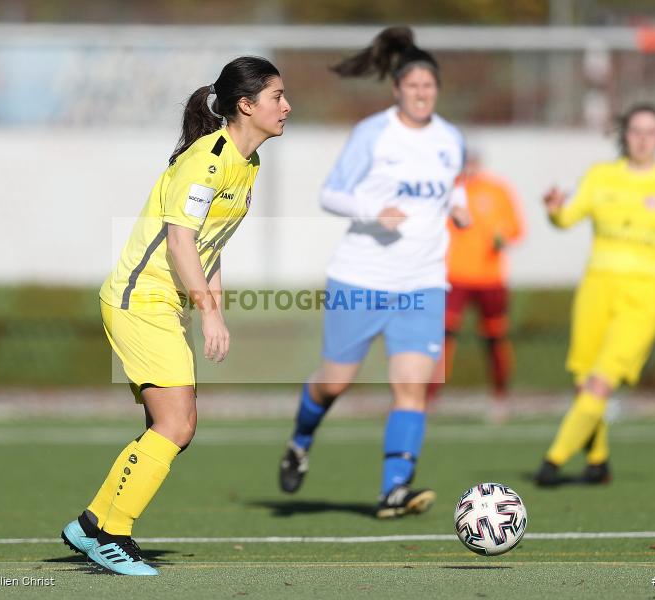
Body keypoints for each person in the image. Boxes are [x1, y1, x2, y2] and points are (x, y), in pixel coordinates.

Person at [60, 56, 291, 575]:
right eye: (277, 97)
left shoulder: (247, 162)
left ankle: (93, 523)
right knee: (177, 425)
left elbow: (210, 245)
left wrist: (215, 309)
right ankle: (111, 536)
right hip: (139, 301)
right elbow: (181, 241)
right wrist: (208, 314)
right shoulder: (207, 161)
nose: (287, 106)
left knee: (168, 429)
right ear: (245, 105)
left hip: (160, 305)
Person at [277, 27, 469, 519]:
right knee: (334, 384)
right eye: (413, 87)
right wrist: (372, 209)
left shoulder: (450, 138)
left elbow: (452, 186)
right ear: (397, 89)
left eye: (429, 87)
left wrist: (461, 207)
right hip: (361, 278)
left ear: (437, 91)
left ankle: (393, 490)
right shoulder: (374, 133)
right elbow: (330, 193)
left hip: (423, 283)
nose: (422, 94)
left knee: (411, 387)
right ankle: (300, 440)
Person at [534, 102, 655, 487]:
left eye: (650, 132)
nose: (642, 139)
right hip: (596, 289)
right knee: (583, 380)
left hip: (644, 295)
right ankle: (598, 462)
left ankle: (551, 462)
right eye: (636, 131)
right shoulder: (601, 177)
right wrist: (555, 210)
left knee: (600, 383)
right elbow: (567, 218)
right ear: (625, 135)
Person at [427, 149, 524, 423]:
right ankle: (430, 397)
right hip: (453, 276)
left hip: (490, 277)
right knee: (443, 336)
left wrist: (503, 237)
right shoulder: (446, 189)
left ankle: (501, 397)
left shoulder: (497, 190)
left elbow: (516, 228)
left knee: (495, 338)